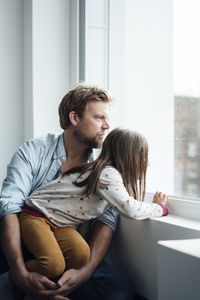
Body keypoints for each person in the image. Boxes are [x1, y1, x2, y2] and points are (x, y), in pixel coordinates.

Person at [0, 83, 135, 300]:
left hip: (69, 249)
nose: (107, 125)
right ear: (75, 118)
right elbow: (9, 207)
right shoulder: (32, 151)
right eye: (99, 118)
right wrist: (20, 273)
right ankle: (21, 283)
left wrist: (83, 273)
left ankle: (47, 287)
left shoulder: (106, 167)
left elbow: (107, 221)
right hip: (24, 243)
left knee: (119, 288)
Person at [18, 128, 168, 285]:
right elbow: (129, 209)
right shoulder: (107, 174)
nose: (148, 163)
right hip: (36, 215)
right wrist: (160, 208)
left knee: (82, 256)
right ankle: (16, 276)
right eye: (144, 157)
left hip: (58, 223)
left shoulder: (107, 174)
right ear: (129, 157)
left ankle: (53, 285)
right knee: (53, 265)